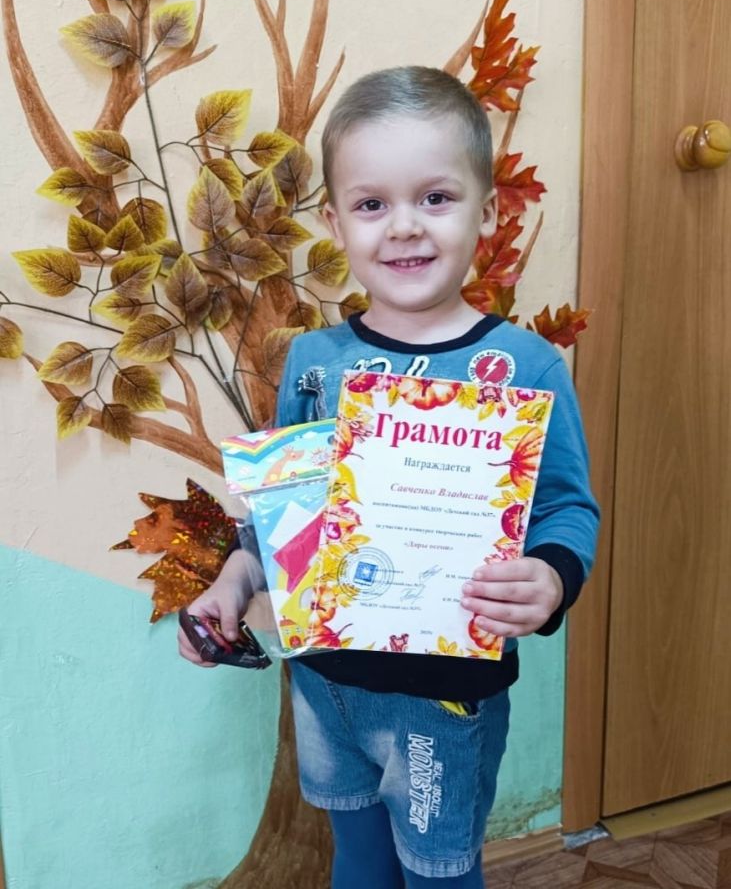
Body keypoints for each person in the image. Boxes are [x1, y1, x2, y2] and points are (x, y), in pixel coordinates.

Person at [179, 66, 599, 888]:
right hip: (326, 682)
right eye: (372, 204)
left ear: (486, 211)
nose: (404, 226)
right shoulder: (313, 363)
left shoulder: (524, 366)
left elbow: (564, 506)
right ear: (335, 222)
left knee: (439, 871)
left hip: (445, 693)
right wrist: (234, 581)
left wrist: (550, 578)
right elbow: (285, 515)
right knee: (359, 862)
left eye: (435, 198)